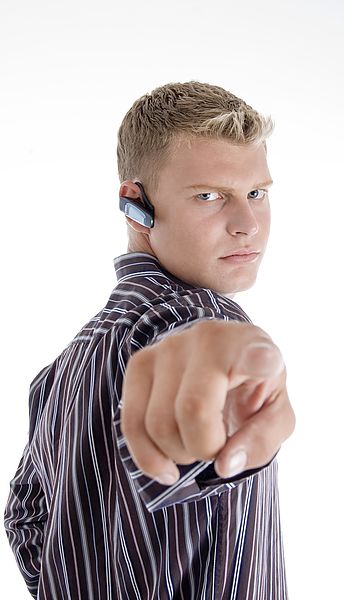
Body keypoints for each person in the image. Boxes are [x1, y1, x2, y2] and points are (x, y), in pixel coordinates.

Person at [4, 81, 296, 600]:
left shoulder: (68, 363)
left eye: (257, 193)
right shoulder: (196, 317)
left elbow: (25, 516)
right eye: (209, 196)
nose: (247, 224)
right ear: (134, 205)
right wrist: (228, 405)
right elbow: (201, 400)